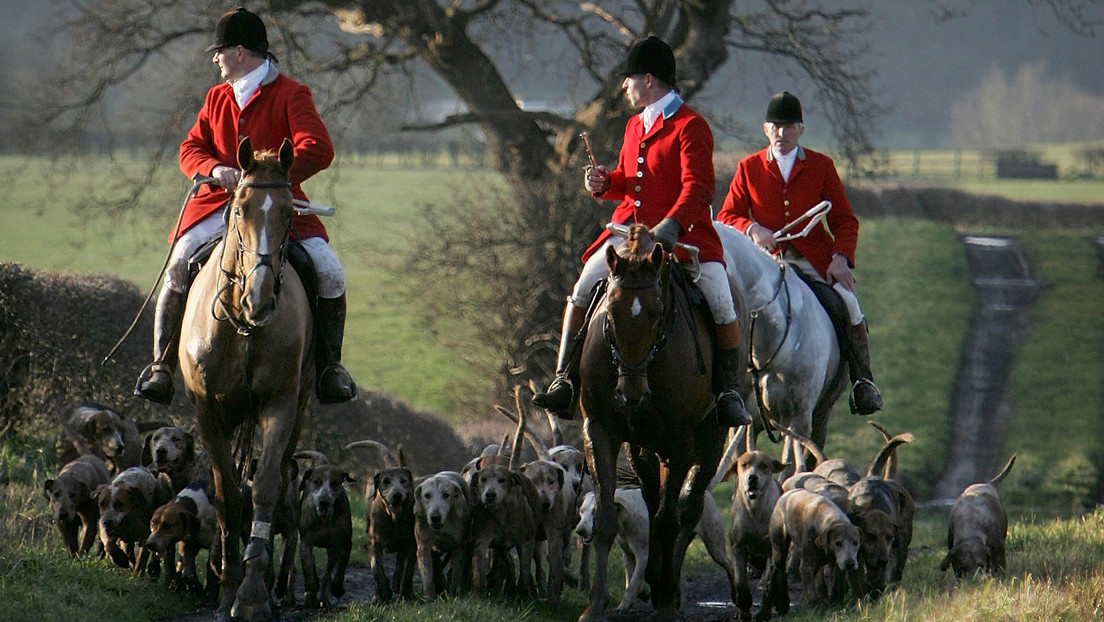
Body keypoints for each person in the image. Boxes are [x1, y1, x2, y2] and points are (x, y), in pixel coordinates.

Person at [134, 7, 356, 405]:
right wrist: (214, 167)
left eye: (219, 51)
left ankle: (329, 370)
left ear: (239, 51)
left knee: (331, 274)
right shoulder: (216, 97)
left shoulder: (292, 94)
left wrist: (273, 174)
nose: (215, 59)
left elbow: (319, 148)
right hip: (217, 207)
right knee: (180, 261)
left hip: (274, 208)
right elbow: (190, 148)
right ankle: (161, 367)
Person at [532, 36, 751, 428]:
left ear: (648, 79)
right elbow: (633, 183)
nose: (624, 86)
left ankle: (729, 392)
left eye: (629, 78)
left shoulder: (691, 125)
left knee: (721, 299)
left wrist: (671, 224)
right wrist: (605, 184)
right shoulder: (636, 124)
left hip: (682, 237)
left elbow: (698, 188)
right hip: (628, 235)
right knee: (583, 287)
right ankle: (565, 379)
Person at [715, 91, 883, 415]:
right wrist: (753, 229)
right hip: (765, 264)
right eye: (776, 126)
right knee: (726, 306)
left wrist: (839, 258)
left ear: (801, 130)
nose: (782, 133)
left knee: (849, 303)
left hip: (812, 263)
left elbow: (845, 221)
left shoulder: (822, 166)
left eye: (789, 126)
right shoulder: (748, 168)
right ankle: (727, 388)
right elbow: (726, 216)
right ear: (765, 129)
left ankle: (863, 382)